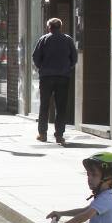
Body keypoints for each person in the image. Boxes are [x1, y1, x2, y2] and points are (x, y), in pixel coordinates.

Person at [32, 17, 77, 145]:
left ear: (49, 27)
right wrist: (67, 68)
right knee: (61, 106)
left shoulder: (44, 39)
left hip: (46, 77)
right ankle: (59, 135)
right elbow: (74, 57)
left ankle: (42, 134)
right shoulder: (68, 39)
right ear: (60, 27)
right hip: (63, 76)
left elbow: (35, 57)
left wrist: (42, 67)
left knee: (44, 105)